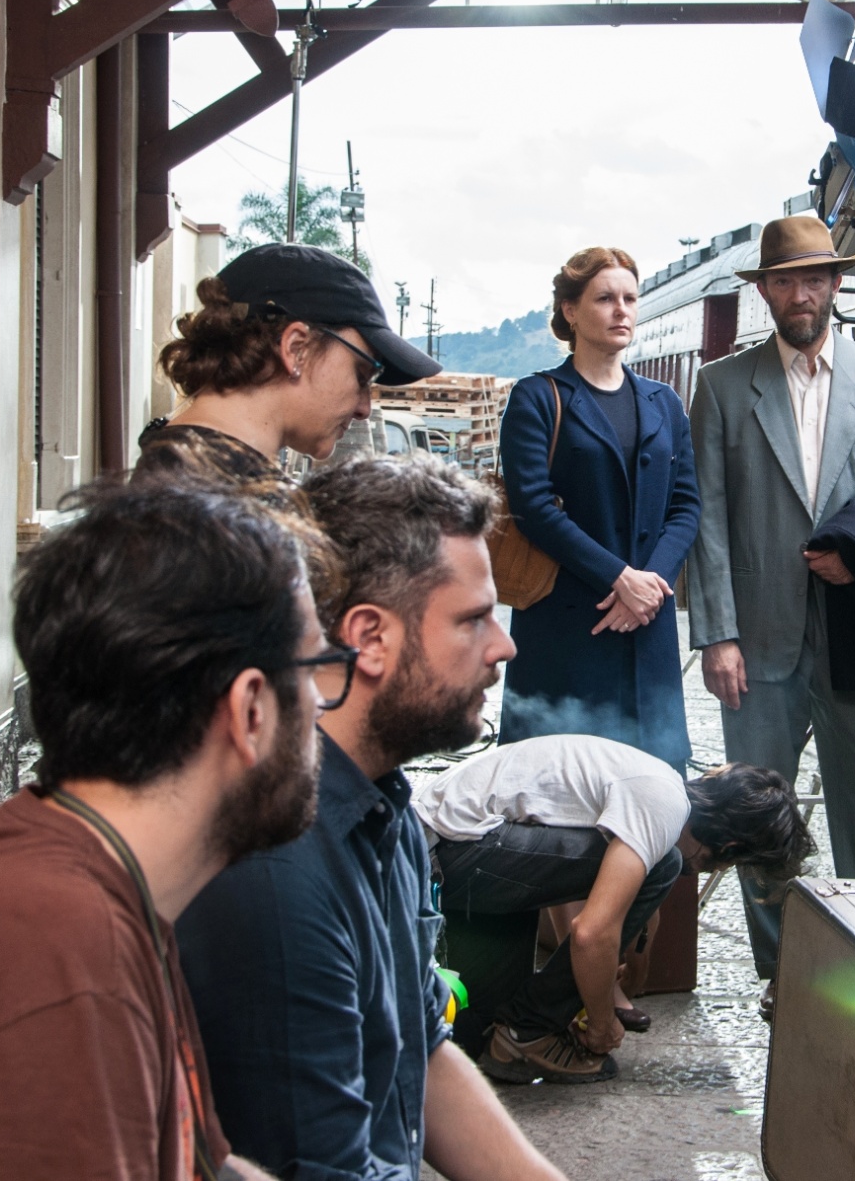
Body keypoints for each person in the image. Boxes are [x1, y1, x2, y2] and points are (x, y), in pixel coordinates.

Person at [0, 477, 333, 1181]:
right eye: (315, 669)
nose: (321, 704)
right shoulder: (56, 953)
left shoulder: (88, 881)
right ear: (250, 709)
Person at [177, 456, 565, 1181]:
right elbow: (322, 1167)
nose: (503, 645)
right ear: (371, 638)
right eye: (473, 619)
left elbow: (423, 1048)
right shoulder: (278, 864)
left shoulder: (383, 804)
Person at [686, 214, 855, 999]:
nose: (802, 294)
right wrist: (716, 633)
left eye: (815, 279)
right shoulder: (723, 386)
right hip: (756, 641)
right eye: (786, 280)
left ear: (836, 284)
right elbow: (708, 516)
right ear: (765, 291)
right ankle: (784, 974)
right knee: (756, 819)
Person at [416, 737, 813, 1084]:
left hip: (448, 852)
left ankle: (512, 1031)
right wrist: (602, 1022)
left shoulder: (657, 783)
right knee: (665, 865)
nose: (713, 870)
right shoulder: (662, 803)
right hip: (451, 853)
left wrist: (618, 969)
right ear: (728, 849)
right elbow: (591, 933)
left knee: (481, 1039)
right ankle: (528, 1030)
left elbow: (575, 886)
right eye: (727, 864)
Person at [496, 246, 701, 770]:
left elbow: (685, 505)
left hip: (647, 627)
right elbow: (533, 507)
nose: (621, 310)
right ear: (570, 310)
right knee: (559, 783)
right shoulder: (536, 398)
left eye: (630, 298)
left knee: (654, 787)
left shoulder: (664, 402)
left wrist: (650, 586)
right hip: (568, 626)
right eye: (605, 298)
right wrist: (618, 578)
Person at [137, 242, 441, 488]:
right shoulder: (241, 516)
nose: (364, 408)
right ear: (296, 349)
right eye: (362, 376)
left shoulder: (168, 471)